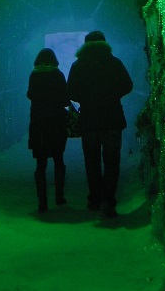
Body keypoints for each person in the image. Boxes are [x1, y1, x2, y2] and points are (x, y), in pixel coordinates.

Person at [67, 29, 133, 217]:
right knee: (112, 161)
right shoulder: (114, 62)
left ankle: (95, 198)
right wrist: (112, 96)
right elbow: (128, 85)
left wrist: (86, 99)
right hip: (112, 117)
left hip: (89, 119)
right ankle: (109, 201)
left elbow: (70, 91)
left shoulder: (78, 65)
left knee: (92, 161)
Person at [27, 47, 69, 212]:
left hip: (39, 124)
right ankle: (59, 196)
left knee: (40, 164)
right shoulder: (58, 75)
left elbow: (30, 94)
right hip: (56, 122)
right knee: (59, 160)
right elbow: (65, 98)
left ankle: (42, 201)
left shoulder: (34, 75)